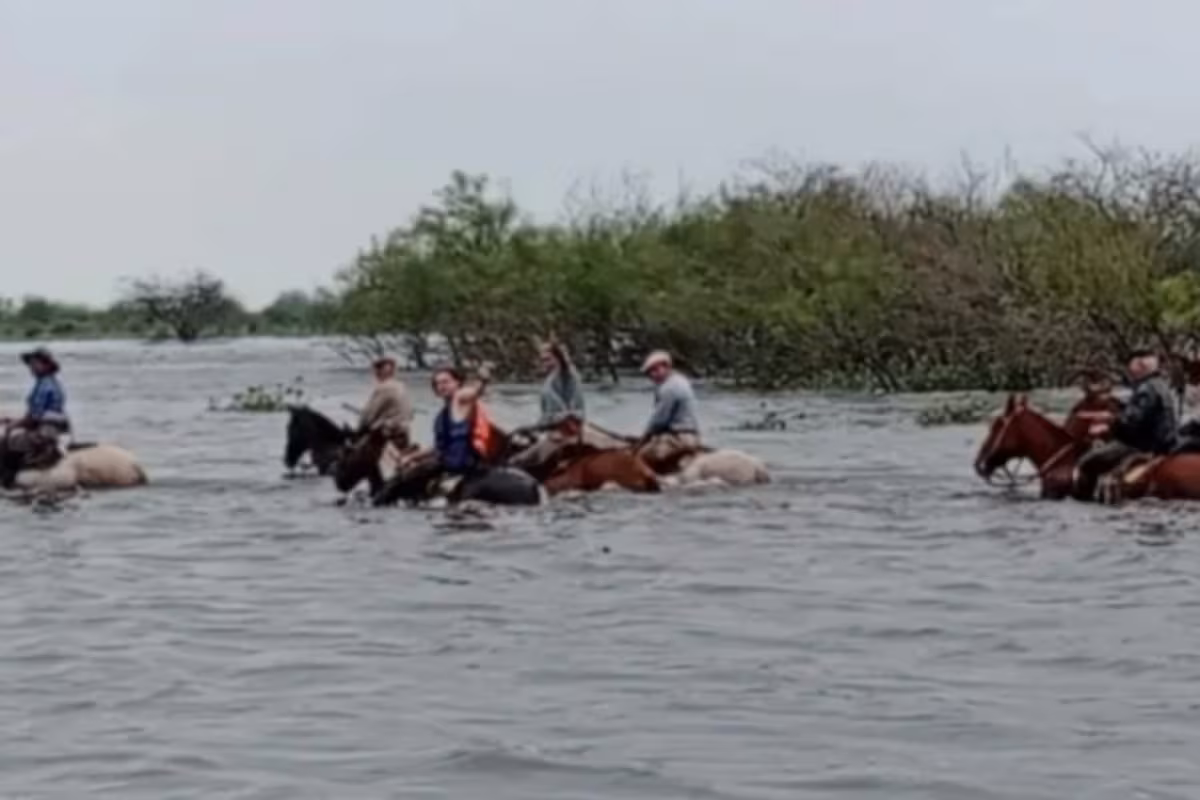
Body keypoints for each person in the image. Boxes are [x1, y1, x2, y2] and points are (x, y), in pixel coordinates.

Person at [1077, 348, 1177, 496]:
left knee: (1087, 462)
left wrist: (1109, 424)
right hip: (1165, 443)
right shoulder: (1161, 385)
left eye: (1132, 367)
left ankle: (1086, 501)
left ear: (1141, 367)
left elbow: (1132, 422)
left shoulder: (1146, 389)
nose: (1130, 372)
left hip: (1142, 445)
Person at [507, 340, 588, 470]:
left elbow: (574, 410)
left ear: (558, 358)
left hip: (563, 433)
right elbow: (548, 415)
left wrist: (541, 425)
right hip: (550, 429)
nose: (545, 363)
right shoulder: (551, 378)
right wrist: (533, 427)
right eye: (542, 360)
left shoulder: (568, 376)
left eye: (548, 359)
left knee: (517, 462)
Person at [0, 348, 71, 470]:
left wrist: (13, 425)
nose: (31, 368)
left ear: (46, 365)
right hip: (50, 429)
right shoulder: (50, 383)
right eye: (31, 364)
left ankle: (7, 479)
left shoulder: (44, 386)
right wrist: (11, 420)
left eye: (35, 364)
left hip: (44, 432)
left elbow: (34, 418)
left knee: (5, 442)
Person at [635, 350, 702, 471]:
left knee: (642, 457)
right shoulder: (681, 380)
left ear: (667, 367)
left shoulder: (669, 388)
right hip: (691, 434)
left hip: (679, 437)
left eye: (656, 370)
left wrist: (643, 439)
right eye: (650, 372)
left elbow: (659, 420)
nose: (653, 375)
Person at [357, 355, 414, 449]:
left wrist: (358, 430)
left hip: (388, 436)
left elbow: (368, 416)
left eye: (375, 370)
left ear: (378, 371)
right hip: (405, 435)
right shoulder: (401, 386)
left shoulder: (383, 388)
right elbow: (410, 414)